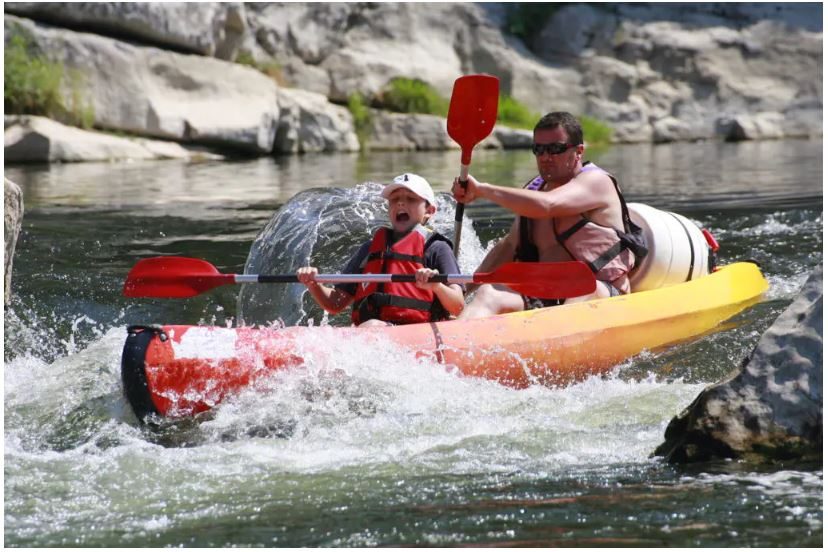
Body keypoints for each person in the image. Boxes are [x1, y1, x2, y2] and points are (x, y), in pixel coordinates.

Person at [451, 111, 645, 319]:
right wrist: (463, 288)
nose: (545, 157)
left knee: (586, 291)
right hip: (545, 294)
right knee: (489, 293)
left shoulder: (597, 182)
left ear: (579, 151)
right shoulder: (533, 190)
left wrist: (482, 190)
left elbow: (548, 205)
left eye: (555, 149)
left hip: (601, 290)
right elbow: (509, 247)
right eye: (539, 149)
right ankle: (448, 347)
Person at [297, 173, 465, 327]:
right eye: (394, 199)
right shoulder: (369, 250)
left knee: (372, 326)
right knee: (371, 326)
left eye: (411, 199)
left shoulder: (437, 248)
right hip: (374, 331)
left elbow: (458, 306)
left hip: (419, 332)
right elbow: (335, 303)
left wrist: (436, 286)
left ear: (429, 211)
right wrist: (313, 284)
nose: (400, 202)